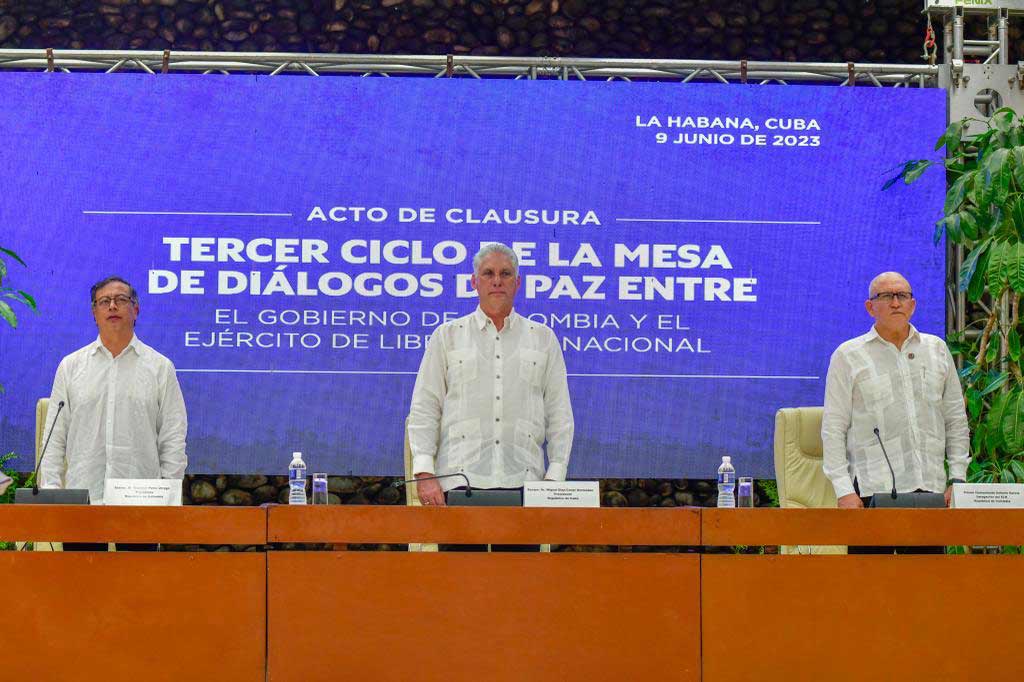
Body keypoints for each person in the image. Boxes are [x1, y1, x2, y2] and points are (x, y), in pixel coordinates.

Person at [407, 243, 574, 548]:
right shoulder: (447, 336)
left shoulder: (543, 339)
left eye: (505, 273)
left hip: (525, 486)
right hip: (458, 484)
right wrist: (424, 472)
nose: (497, 281)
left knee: (519, 578)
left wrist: (555, 478)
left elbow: (559, 413)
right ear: (475, 281)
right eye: (488, 273)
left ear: (517, 282)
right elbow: (425, 408)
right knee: (459, 577)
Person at [821, 271, 969, 553]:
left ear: (913, 305)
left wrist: (958, 479)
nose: (896, 302)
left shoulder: (936, 350)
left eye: (902, 295)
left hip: (931, 492)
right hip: (871, 494)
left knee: (927, 579)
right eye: (886, 296)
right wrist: (844, 490)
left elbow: (955, 420)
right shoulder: (848, 355)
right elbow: (833, 428)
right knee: (871, 580)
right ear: (870, 307)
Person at [41, 276, 187, 551]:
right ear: (94, 313)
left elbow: (173, 437)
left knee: (136, 579)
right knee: (83, 577)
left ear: (136, 309)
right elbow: (55, 436)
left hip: (141, 503)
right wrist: (50, 493)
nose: (112, 306)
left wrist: (167, 495)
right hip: (83, 500)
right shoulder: (71, 367)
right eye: (104, 301)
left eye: (121, 299)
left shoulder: (160, 368)